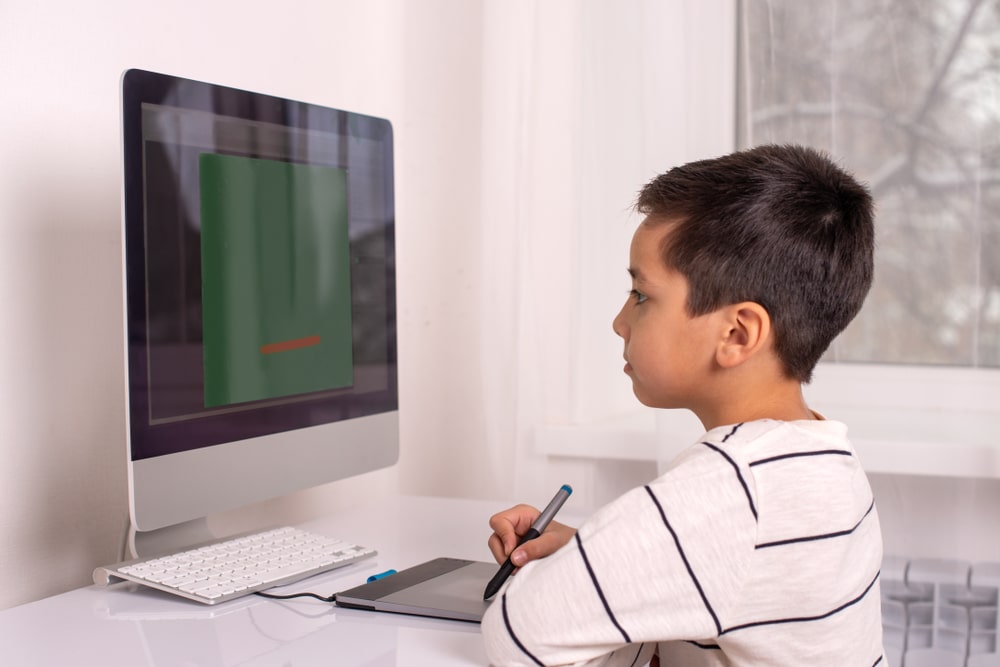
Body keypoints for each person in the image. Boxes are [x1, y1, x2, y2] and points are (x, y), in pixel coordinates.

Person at [481, 144, 884, 666]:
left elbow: (516, 634)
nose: (619, 321)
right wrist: (597, 555)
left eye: (641, 295)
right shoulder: (823, 457)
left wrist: (564, 575)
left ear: (737, 334)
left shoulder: (729, 491)